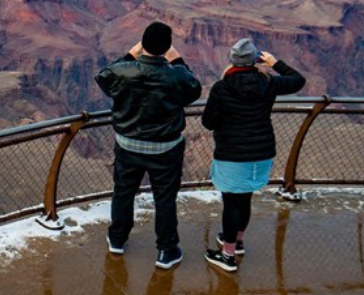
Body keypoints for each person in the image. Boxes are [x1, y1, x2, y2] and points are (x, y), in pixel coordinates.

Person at [96, 21, 202, 270]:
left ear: (142, 44)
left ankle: (117, 239)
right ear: (167, 48)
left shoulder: (124, 71)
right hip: (165, 149)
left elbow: (103, 77)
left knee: (123, 192)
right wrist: (176, 60)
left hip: (128, 146)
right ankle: (167, 250)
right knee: (164, 199)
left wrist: (130, 54)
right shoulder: (176, 75)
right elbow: (193, 89)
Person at [202, 38, 305, 272]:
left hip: (231, 153)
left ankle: (227, 256)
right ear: (255, 60)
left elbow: (208, 122)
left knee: (231, 203)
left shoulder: (222, 87)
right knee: (245, 198)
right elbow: (298, 81)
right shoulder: (267, 82)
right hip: (261, 152)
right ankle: (237, 242)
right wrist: (275, 63)